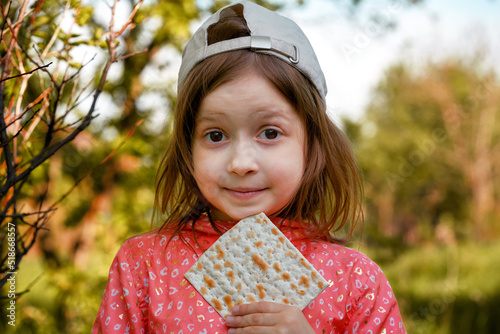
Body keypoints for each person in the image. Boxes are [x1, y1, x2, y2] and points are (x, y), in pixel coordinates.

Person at [92, 1, 407, 333]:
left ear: (312, 143)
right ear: (188, 146)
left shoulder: (357, 282)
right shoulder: (143, 266)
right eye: (215, 135)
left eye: (269, 133)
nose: (241, 163)